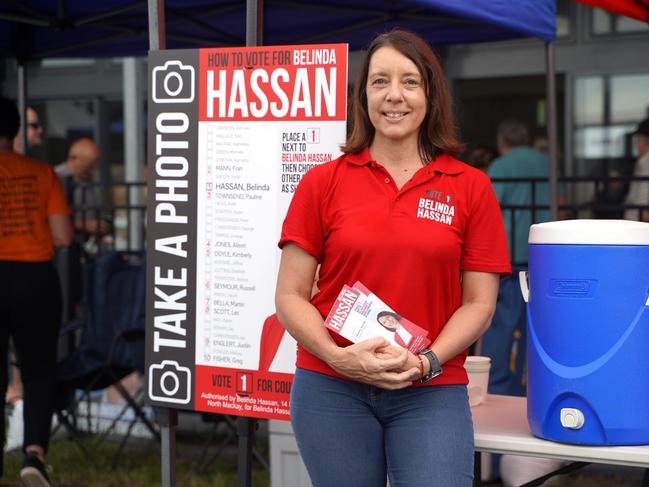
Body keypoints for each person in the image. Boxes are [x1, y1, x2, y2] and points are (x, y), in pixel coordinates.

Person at [275, 30, 510, 486]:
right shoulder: (323, 182)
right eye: (379, 81)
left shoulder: (470, 186)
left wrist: (427, 362)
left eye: (410, 81)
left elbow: (479, 303)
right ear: (363, 96)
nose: (394, 96)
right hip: (331, 385)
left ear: (431, 94)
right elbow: (289, 294)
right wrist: (338, 357)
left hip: (430, 386)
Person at [0, 96, 73, 486]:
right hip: (34, 278)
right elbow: (62, 235)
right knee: (39, 370)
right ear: (14, 131)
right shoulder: (43, 173)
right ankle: (33, 455)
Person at [55, 137, 111, 240]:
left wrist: (101, 224)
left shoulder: (86, 181)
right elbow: (46, 219)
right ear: (73, 159)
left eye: (94, 167)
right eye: (88, 167)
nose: (92, 172)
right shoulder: (55, 179)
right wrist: (83, 224)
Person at [623, 118, 649, 222]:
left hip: (638, 225)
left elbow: (642, 197)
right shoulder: (642, 160)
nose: (637, 144)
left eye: (639, 139)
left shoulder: (646, 162)